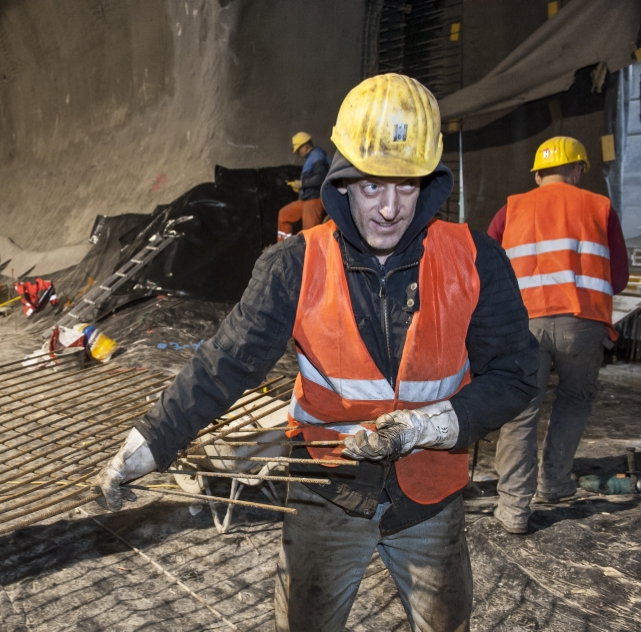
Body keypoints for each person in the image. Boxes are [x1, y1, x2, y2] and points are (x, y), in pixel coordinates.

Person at [97, 74, 539, 631]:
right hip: (325, 495)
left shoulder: (475, 259)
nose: (389, 208)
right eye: (372, 186)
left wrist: (430, 426)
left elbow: (518, 374)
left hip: (430, 496)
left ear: (429, 183)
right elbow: (226, 362)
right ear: (343, 183)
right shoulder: (294, 266)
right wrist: (150, 443)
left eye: (405, 186)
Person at [488, 137, 629, 534]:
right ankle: (554, 482)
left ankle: (514, 507)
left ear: (536, 173)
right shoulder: (598, 207)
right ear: (578, 170)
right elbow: (617, 278)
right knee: (574, 399)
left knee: (520, 409)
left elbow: (486, 268)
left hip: (522, 325)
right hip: (580, 322)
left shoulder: (510, 209)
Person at [277, 131, 329, 241]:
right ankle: (284, 248)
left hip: (314, 199)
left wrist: (302, 184)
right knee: (284, 215)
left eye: (299, 149)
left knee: (310, 234)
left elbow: (321, 178)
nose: (298, 153)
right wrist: (301, 187)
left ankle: (312, 256)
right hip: (307, 198)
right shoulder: (312, 157)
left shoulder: (317, 155)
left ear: (306, 146)